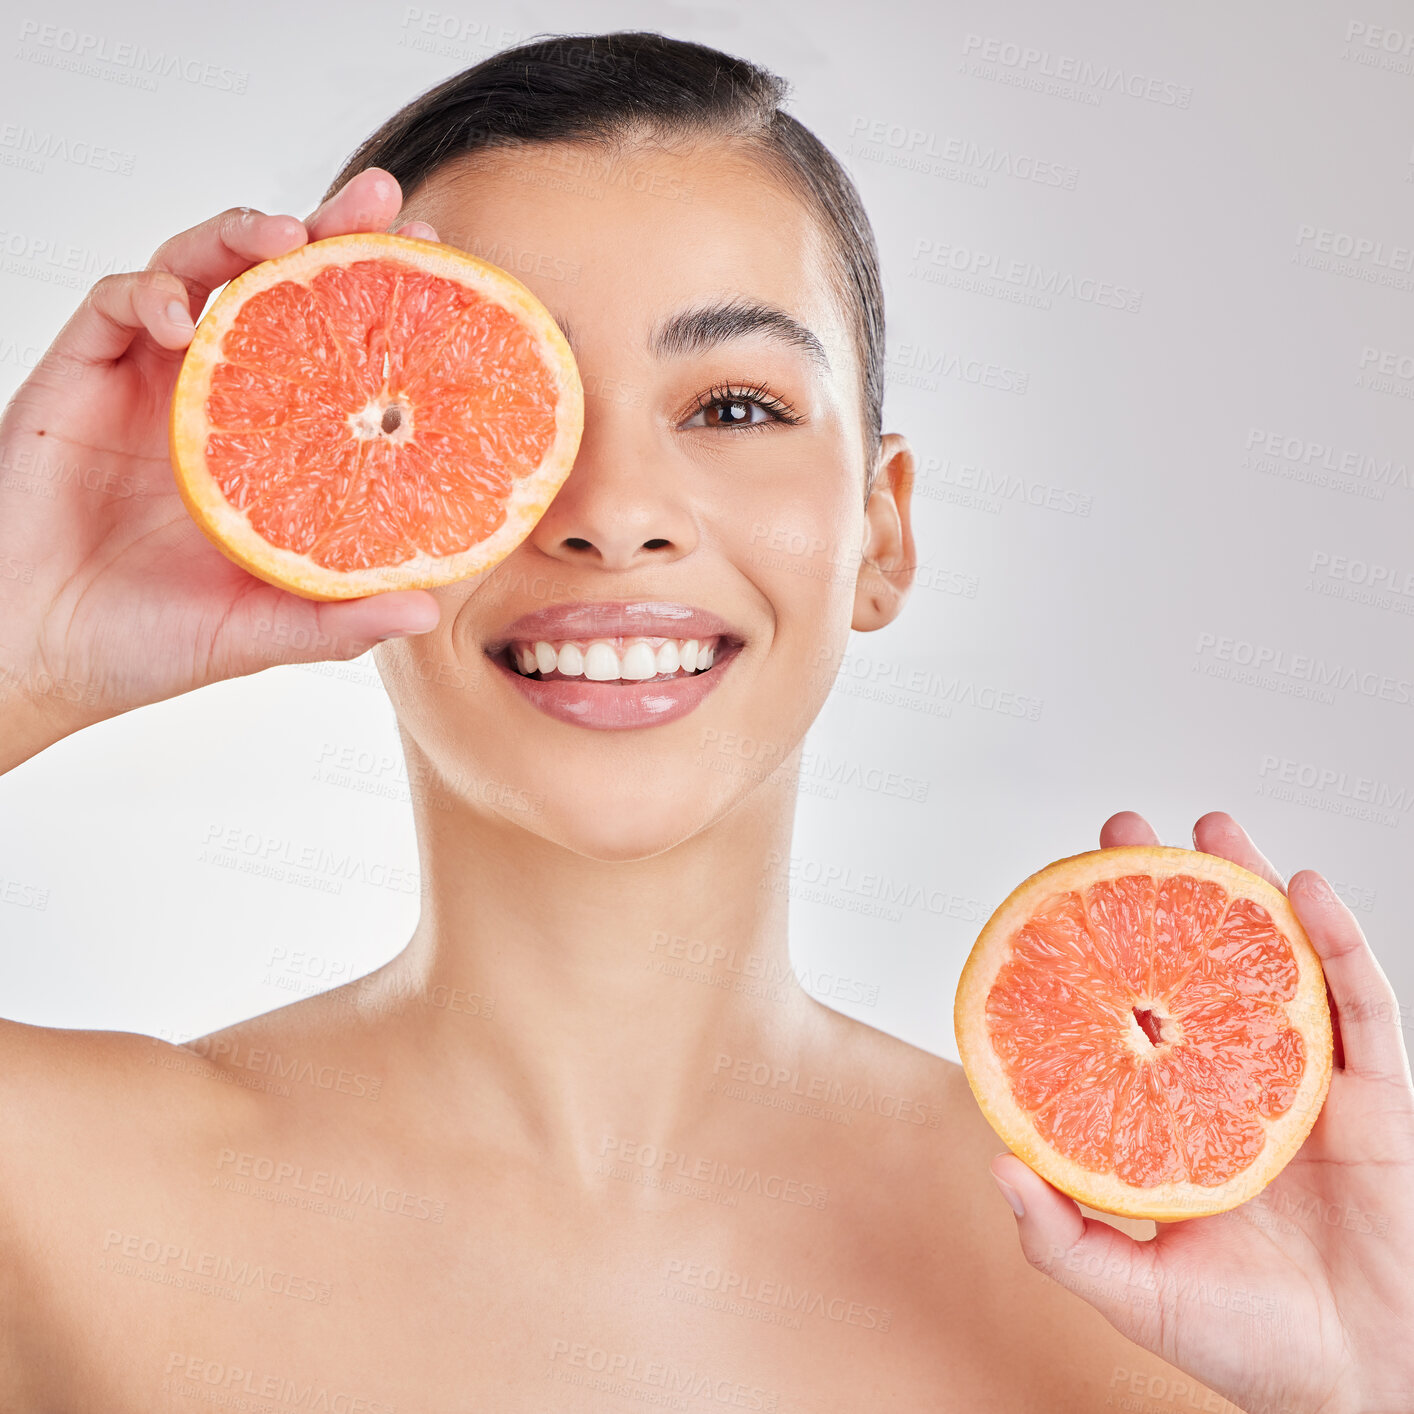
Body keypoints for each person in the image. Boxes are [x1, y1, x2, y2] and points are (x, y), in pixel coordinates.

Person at [1, 30, 1410, 1413]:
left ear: (882, 530)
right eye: (511, 409)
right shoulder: (64, 1203)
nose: (613, 514)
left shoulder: (1177, 1287)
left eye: (734, 404)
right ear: (351, 503)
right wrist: (28, 637)